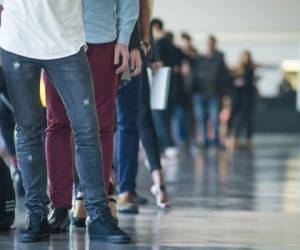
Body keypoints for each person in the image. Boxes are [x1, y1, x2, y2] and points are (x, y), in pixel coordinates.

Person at [0, 0, 131, 243]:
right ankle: (37, 215)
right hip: (17, 40)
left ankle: (98, 214)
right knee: (28, 131)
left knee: (87, 129)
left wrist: (126, 36)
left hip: (65, 43)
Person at [44, 0, 139, 232]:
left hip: (102, 40)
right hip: (57, 41)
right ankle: (59, 206)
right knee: (58, 124)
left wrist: (125, 39)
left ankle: (96, 205)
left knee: (102, 125)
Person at [115, 1, 170, 214]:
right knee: (134, 120)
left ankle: (122, 188)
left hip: (130, 46)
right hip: (126, 44)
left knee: (127, 121)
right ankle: (126, 188)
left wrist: (142, 44)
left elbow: (142, 5)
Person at [150, 19, 181, 157]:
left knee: (159, 118)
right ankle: (167, 146)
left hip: (161, 86)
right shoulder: (172, 45)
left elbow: (159, 64)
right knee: (166, 118)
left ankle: (165, 146)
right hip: (172, 87)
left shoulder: (160, 43)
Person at [192, 35, 229, 148]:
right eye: (207, 43)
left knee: (214, 118)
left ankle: (217, 140)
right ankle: (203, 141)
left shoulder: (219, 59)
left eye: (211, 43)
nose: (209, 45)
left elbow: (224, 76)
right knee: (201, 118)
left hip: (214, 93)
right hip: (200, 93)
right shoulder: (200, 59)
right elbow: (195, 75)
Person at [227, 50, 256, 147]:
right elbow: (230, 81)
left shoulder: (250, 69)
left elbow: (249, 83)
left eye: (247, 57)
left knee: (246, 119)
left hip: (246, 98)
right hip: (236, 98)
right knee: (234, 118)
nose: (245, 59)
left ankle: (246, 139)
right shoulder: (236, 69)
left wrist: (243, 83)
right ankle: (232, 138)